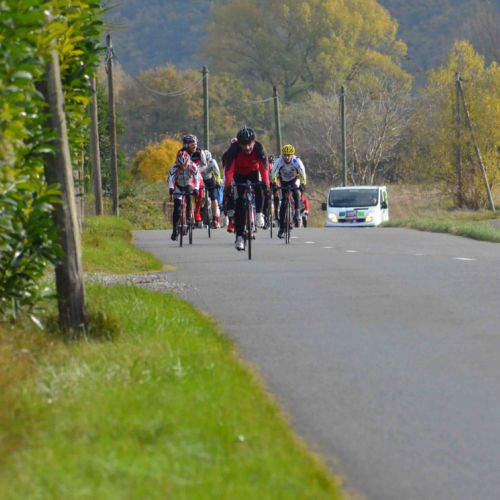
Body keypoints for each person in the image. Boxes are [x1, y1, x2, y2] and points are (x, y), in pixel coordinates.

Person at [223, 127, 270, 251]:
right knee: (239, 203)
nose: (247, 147)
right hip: (238, 174)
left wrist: (266, 185)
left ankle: (259, 214)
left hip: (254, 172)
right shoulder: (233, 149)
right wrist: (228, 186)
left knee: (260, 188)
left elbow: (264, 168)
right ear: (239, 143)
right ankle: (239, 237)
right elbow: (229, 170)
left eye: (249, 144)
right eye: (244, 145)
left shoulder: (259, 148)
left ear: (254, 141)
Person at [271, 144, 307, 238]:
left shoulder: (296, 161)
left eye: (288, 155)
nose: (286, 157)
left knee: (296, 192)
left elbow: (303, 173)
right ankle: (281, 228)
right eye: (285, 155)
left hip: (294, 179)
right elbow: (273, 174)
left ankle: (297, 213)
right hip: (283, 181)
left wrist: (303, 184)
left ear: (292, 155)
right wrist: (274, 184)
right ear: (282, 155)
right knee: (283, 203)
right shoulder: (279, 161)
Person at [168, 150, 200, 241]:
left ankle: (189, 218)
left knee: (189, 198)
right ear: (177, 162)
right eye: (180, 164)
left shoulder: (192, 166)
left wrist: (196, 189)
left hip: (188, 185)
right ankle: (174, 230)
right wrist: (171, 188)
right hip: (178, 186)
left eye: (184, 164)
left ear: (188, 161)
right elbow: (171, 179)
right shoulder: (174, 167)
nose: (183, 166)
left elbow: (197, 179)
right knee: (177, 208)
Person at [179, 134, 207, 227]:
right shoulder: (181, 152)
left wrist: (197, 170)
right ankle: (184, 209)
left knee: (201, 191)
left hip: (196, 174)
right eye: (191, 143)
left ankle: (197, 212)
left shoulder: (200, 152)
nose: (194, 145)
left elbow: (204, 165)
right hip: (185, 176)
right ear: (186, 144)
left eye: (195, 143)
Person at [201, 150, 222, 228]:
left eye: (208, 160)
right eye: (205, 160)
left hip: (210, 179)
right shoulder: (199, 162)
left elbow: (217, 173)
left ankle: (214, 218)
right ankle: (201, 213)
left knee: (214, 198)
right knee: (201, 197)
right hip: (201, 180)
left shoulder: (212, 162)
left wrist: (218, 182)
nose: (206, 162)